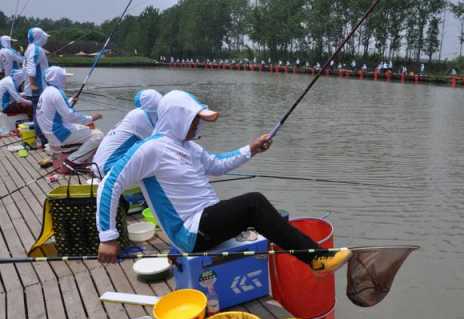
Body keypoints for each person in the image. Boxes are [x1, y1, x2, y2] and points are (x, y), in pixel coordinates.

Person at [95, 90, 352, 272]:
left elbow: (217, 164)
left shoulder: (188, 147)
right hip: (190, 232)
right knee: (254, 203)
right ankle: (317, 260)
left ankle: (307, 254)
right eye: (194, 120)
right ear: (176, 117)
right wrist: (108, 237)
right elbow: (110, 183)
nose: (198, 125)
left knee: (263, 212)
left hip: (205, 224)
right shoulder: (150, 149)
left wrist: (252, 148)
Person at [36, 66, 103, 169]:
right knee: (98, 135)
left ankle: (57, 156)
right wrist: (91, 118)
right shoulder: (57, 93)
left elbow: (58, 110)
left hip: (50, 134)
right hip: (59, 135)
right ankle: (72, 161)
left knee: (84, 128)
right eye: (63, 77)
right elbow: (70, 116)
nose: (65, 80)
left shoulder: (46, 92)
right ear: (57, 78)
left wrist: (71, 100)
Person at [93, 89, 162, 177]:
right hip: (108, 168)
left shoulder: (138, 114)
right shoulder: (139, 117)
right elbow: (159, 144)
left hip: (101, 165)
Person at [24, 27, 50, 146]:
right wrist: (34, 85)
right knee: (40, 114)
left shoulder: (31, 47)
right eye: (43, 36)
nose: (45, 38)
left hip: (35, 87)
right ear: (39, 36)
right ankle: (43, 140)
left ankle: (41, 138)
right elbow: (31, 67)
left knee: (37, 113)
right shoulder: (35, 48)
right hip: (38, 88)